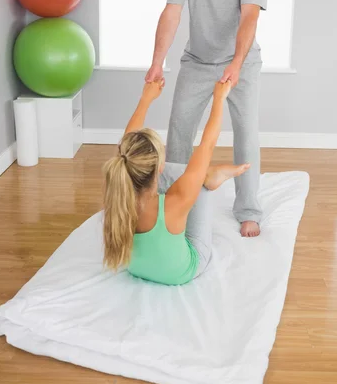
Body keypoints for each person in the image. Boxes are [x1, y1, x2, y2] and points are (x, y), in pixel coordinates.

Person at [145, 0, 269, 238]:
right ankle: (175, 200)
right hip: (197, 60)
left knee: (246, 134)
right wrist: (157, 61)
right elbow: (172, 11)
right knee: (180, 131)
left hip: (241, 61)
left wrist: (236, 62)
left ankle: (248, 210)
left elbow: (249, 17)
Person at [102, 78, 250, 286]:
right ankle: (209, 177)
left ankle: (206, 174)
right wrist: (219, 98)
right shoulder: (174, 202)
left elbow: (127, 147)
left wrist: (146, 98)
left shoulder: (116, 188)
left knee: (145, 164)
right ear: (159, 167)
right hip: (181, 273)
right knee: (199, 183)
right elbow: (207, 145)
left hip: (135, 268)